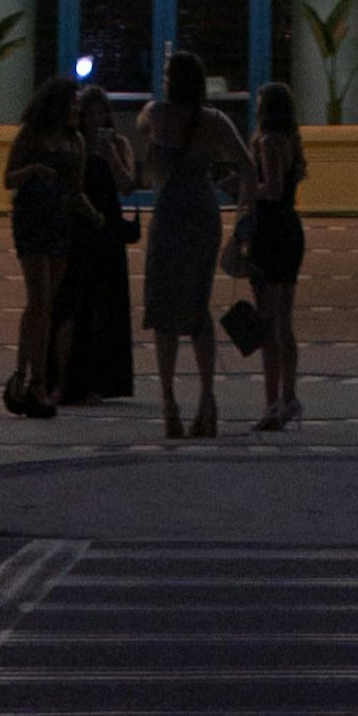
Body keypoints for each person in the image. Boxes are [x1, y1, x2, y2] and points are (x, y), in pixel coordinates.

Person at [128, 45, 251, 439]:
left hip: (169, 214)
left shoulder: (156, 114)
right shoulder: (215, 121)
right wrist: (243, 215)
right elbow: (248, 166)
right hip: (202, 213)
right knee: (199, 308)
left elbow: (141, 128)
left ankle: (169, 405)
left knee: (163, 310)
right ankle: (207, 401)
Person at [56, 73, 137, 408]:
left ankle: (105, 379)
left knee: (108, 304)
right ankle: (74, 379)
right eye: (88, 114)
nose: (94, 120)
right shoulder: (73, 144)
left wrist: (110, 155)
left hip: (109, 228)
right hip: (80, 225)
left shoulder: (118, 144)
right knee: (79, 303)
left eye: (100, 113)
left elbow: (128, 185)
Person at [0, 74, 77, 418]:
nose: (76, 111)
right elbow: (7, 178)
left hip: (59, 222)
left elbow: (76, 187)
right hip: (31, 220)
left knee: (47, 305)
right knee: (39, 301)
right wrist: (32, 170)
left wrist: (93, 215)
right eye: (72, 105)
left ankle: (35, 380)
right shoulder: (30, 135)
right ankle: (29, 378)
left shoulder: (74, 141)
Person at [240, 74, 309, 433]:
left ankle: (271, 403)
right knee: (284, 320)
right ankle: (289, 396)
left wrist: (244, 187)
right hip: (290, 229)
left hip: (269, 230)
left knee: (268, 323)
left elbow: (272, 188)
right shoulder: (291, 142)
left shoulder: (267, 142)